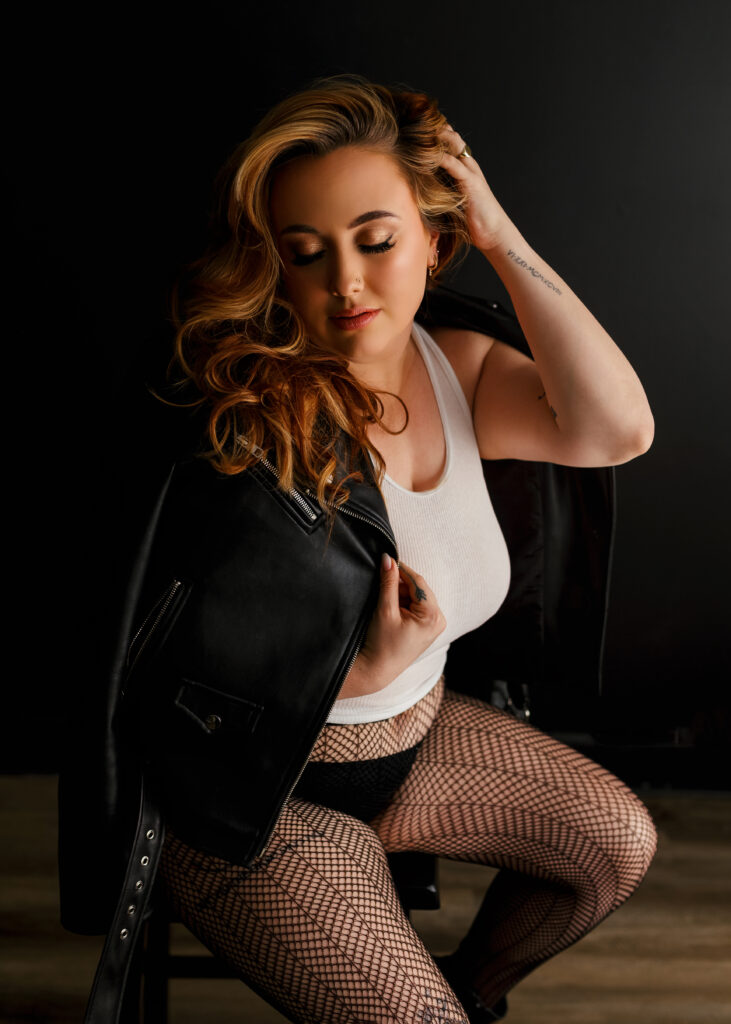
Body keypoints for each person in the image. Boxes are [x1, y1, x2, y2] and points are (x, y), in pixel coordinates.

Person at [66, 74, 658, 1024]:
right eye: (307, 254)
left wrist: (505, 241)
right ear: (276, 268)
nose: (345, 279)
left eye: (376, 241)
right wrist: (357, 670)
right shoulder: (244, 422)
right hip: (260, 802)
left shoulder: (455, 368)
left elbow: (615, 431)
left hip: (411, 753)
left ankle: (467, 1000)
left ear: (435, 236)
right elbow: (165, 679)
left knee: (615, 845)